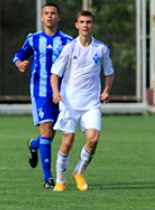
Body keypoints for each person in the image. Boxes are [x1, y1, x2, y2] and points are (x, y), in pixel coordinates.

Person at [50, 10, 114, 192]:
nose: (85, 25)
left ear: (92, 25)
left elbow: (109, 72)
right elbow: (55, 73)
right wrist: (56, 93)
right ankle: (60, 180)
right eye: (82, 22)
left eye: (88, 22)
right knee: (68, 141)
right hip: (69, 103)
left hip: (91, 104)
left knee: (93, 139)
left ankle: (78, 172)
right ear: (77, 25)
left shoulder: (101, 49)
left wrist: (106, 91)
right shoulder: (69, 48)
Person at [13, 2, 72, 189]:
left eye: (53, 13)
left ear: (58, 17)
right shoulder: (33, 38)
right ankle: (48, 179)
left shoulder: (68, 41)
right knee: (47, 129)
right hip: (40, 90)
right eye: (46, 13)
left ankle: (33, 145)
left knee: (51, 133)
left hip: (61, 93)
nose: (49, 16)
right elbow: (19, 55)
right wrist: (20, 63)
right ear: (41, 17)